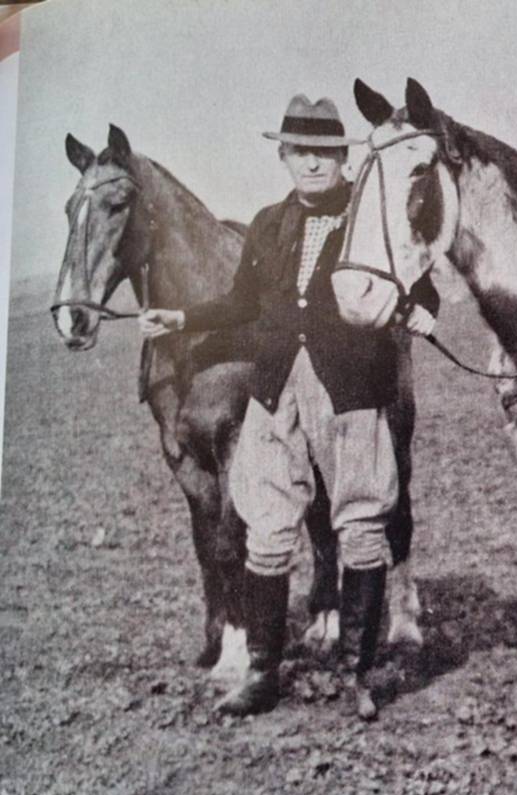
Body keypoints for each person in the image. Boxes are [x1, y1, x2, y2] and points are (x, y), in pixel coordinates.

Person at [140, 95, 439, 718]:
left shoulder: (370, 212)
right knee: (266, 530)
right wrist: (183, 318)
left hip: (351, 389)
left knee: (361, 528)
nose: (312, 163)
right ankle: (262, 674)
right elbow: (242, 304)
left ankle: (358, 676)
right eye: (300, 152)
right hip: (275, 391)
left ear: (342, 157)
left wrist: (422, 309)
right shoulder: (267, 224)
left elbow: (420, 280)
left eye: (324, 152)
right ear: (284, 157)